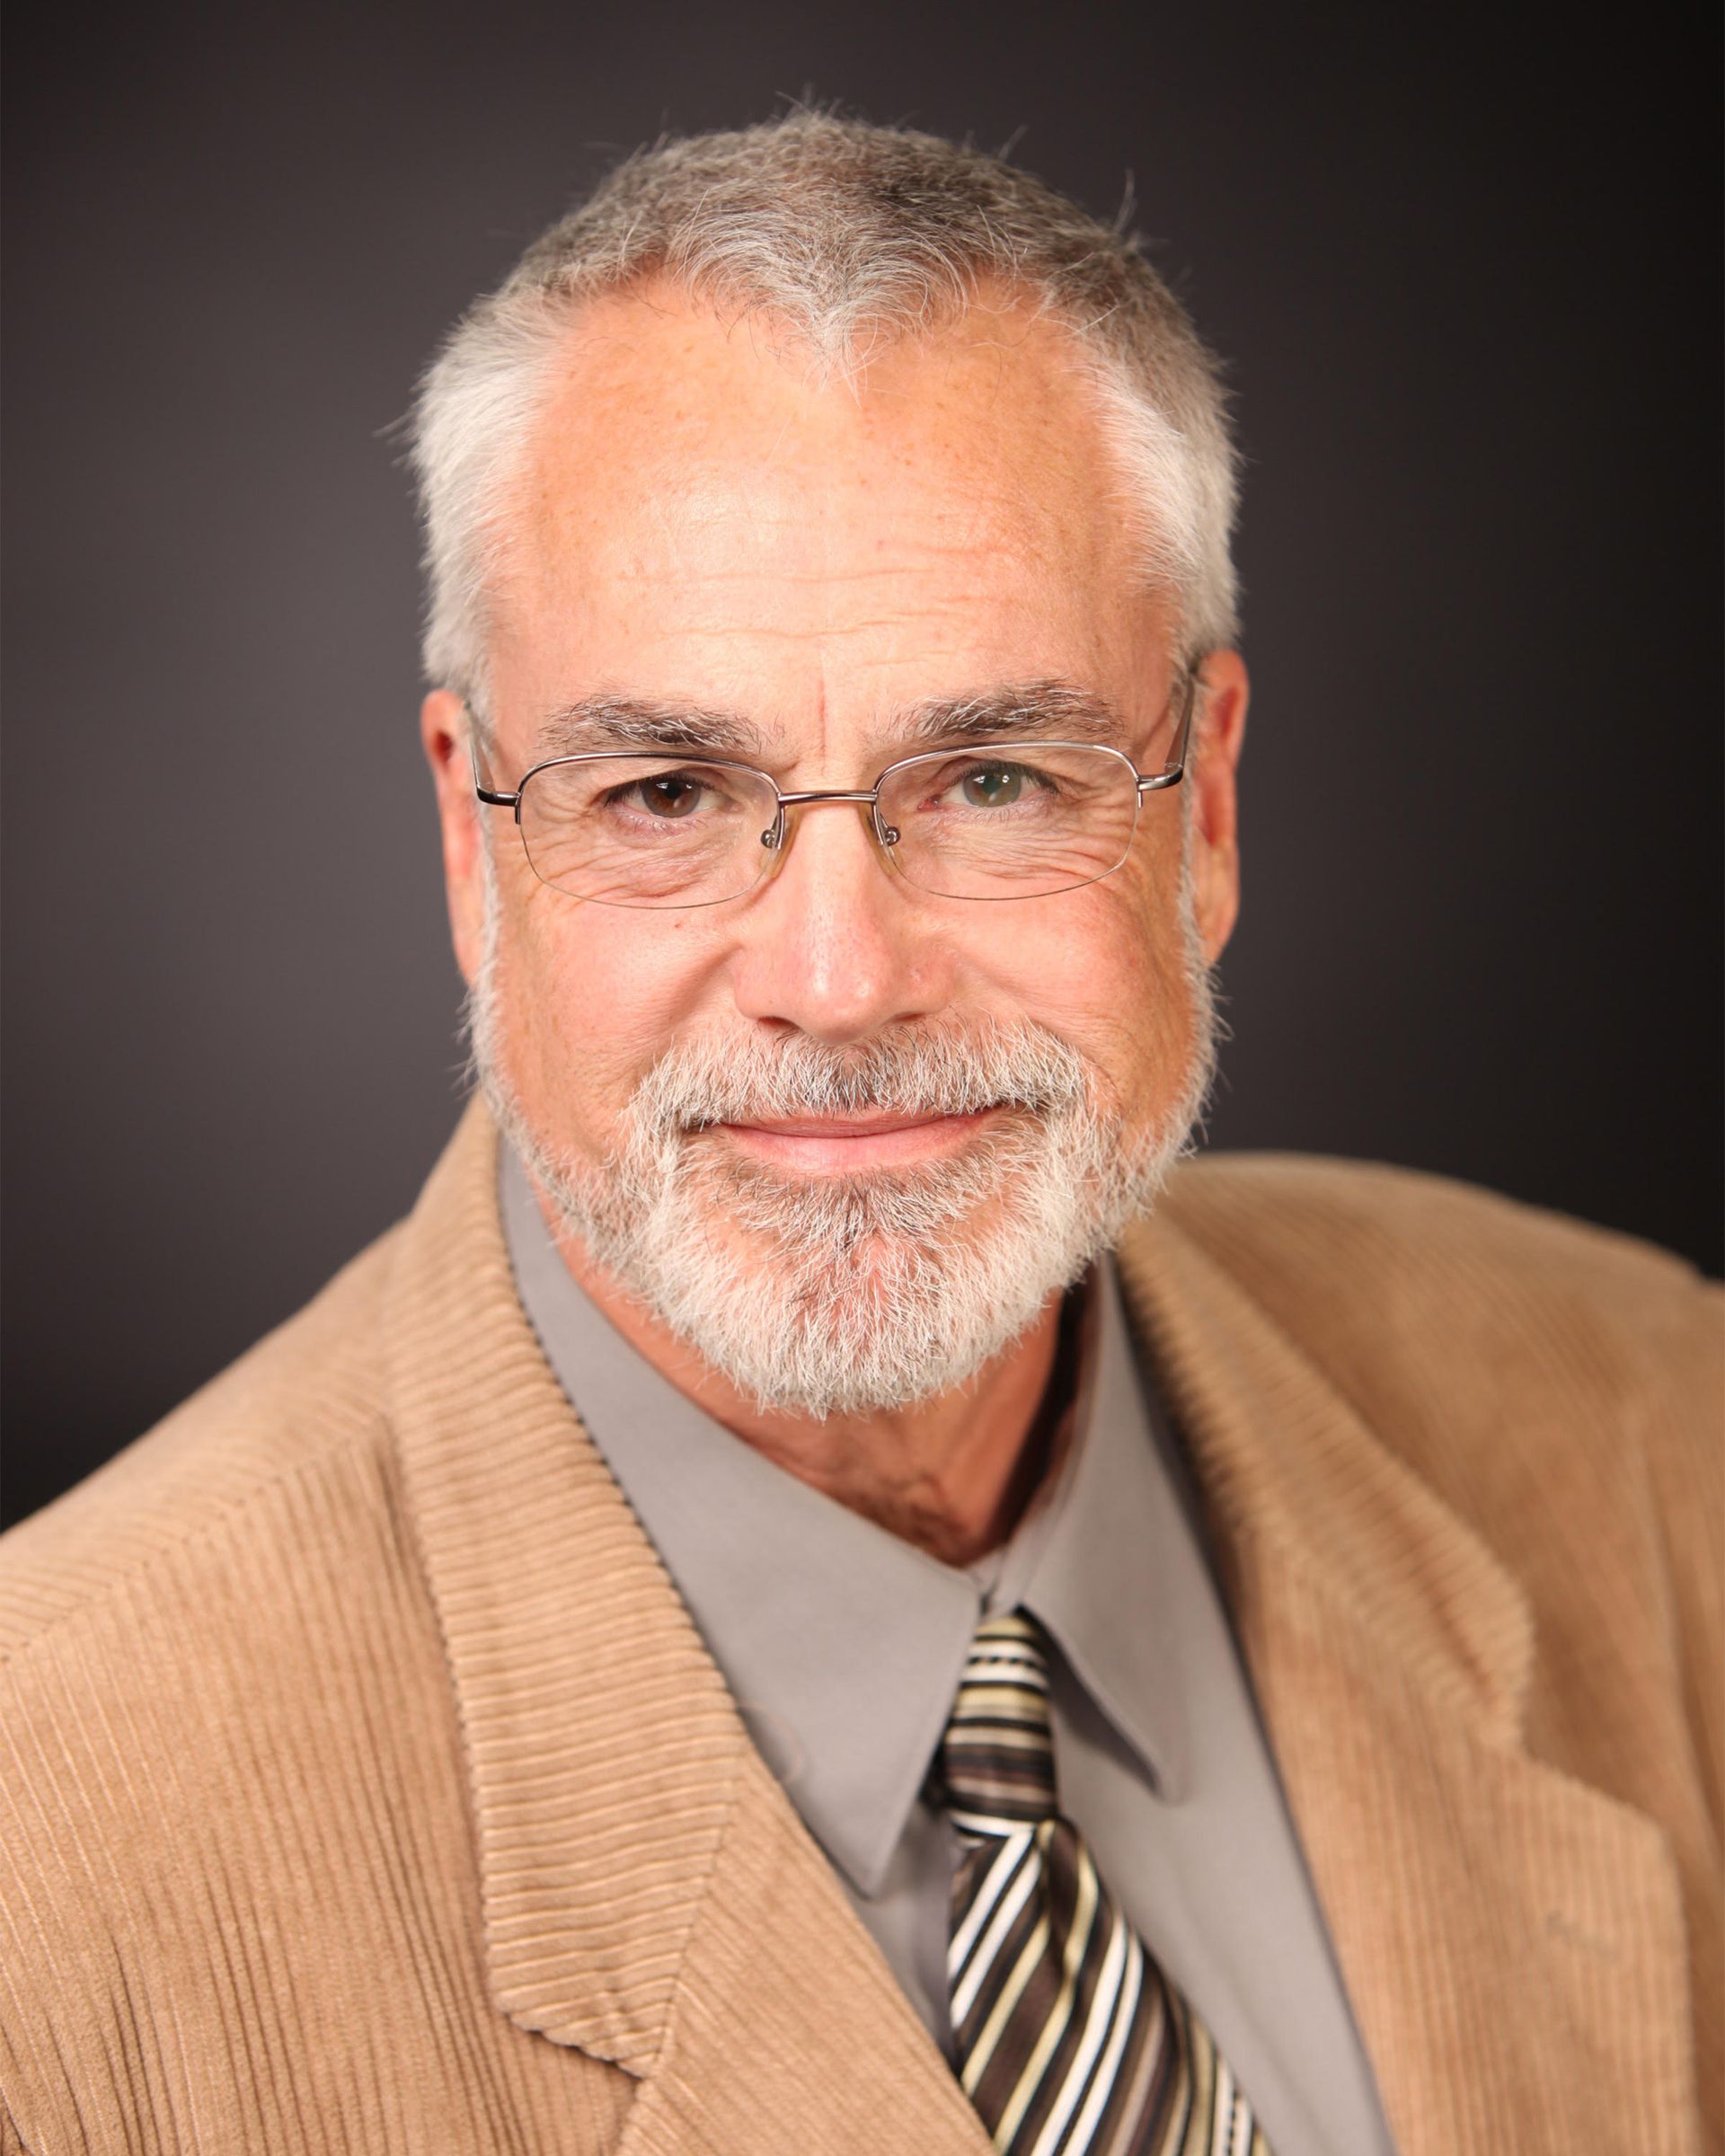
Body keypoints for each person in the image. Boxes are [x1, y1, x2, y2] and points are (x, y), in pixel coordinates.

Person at [0, 113, 1717, 2156]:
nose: (837, 978)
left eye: (993, 777)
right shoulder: (51, 1863)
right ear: (474, 837)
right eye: (662, 794)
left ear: (1212, 809)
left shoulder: (1655, 1434)